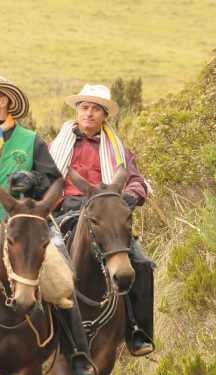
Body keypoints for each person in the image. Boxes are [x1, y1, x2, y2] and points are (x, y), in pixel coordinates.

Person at [0, 72, 96, 375]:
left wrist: (33, 180)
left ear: (3, 101)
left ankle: (78, 353)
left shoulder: (31, 141)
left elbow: (54, 182)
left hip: (24, 234)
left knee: (62, 279)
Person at [49, 83, 154, 356]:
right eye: (84, 107)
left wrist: (130, 196)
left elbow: (136, 181)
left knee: (141, 263)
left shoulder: (117, 150)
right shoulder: (56, 147)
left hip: (107, 217)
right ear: (77, 111)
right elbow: (45, 181)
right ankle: (40, 331)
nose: (89, 113)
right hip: (66, 212)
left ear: (105, 115)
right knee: (38, 262)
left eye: (96, 109)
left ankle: (137, 331)